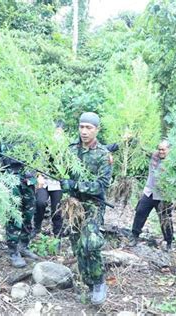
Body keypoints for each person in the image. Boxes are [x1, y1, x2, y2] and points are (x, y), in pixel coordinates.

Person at [61, 112, 113, 305]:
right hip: (73, 205)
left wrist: (74, 184)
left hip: (93, 204)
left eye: (88, 127)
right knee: (77, 246)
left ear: (97, 129)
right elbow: (61, 170)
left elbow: (101, 184)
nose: (84, 131)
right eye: (81, 127)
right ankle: (89, 283)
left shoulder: (103, 154)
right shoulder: (70, 150)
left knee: (90, 242)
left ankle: (99, 283)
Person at [0, 142, 39, 268]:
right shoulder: (1, 139)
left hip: (28, 181)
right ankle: (13, 251)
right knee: (14, 216)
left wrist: (34, 173)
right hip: (10, 182)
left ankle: (24, 246)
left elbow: (38, 158)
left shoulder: (30, 137)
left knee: (28, 215)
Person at [128, 140, 174, 251]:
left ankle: (169, 242)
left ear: (169, 150)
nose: (161, 152)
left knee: (165, 219)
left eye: (163, 150)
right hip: (149, 192)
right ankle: (134, 236)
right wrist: (132, 139)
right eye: (159, 149)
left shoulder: (174, 162)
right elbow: (142, 148)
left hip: (164, 196)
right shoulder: (154, 156)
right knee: (140, 211)